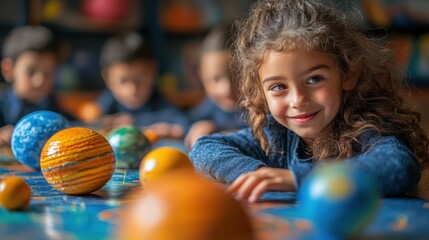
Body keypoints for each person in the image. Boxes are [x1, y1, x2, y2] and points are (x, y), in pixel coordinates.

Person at [189, 0, 429, 203]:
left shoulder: (366, 130)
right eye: (278, 87)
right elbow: (204, 148)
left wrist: (295, 178)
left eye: (314, 79)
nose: (298, 100)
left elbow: (399, 165)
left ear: (348, 74)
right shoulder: (275, 136)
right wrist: (259, 174)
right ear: (260, 92)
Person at [97, 31, 188, 138]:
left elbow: (182, 123)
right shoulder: (105, 105)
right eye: (123, 81)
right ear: (107, 78)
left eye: (139, 80)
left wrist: (135, 122)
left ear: (153, 71)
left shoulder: (161, 103)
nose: (132, 90)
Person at [0, 25, 69, 145]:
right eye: (30, 72)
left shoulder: (57, 111)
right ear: (8, 70)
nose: (39, 81)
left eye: (48, 72)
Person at [184, 26, 247, 147]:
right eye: (215, 79)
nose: (226, 89)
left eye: (237, 76)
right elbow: (188, 124)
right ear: (201, 76)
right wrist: (196, 128)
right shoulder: (209, 107)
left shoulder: (263, 108)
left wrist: (218, 131)